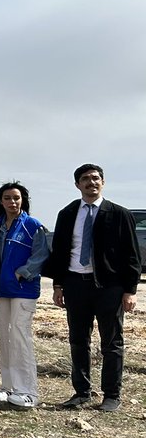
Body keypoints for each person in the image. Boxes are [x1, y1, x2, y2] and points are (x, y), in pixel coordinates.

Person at [43, 164, 141, 412]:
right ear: (77, 185)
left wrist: (130, 290)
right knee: (78, 341)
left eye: (96, 178)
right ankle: (81, 392)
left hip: (110, 287)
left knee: (111, 343)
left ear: (103, 182)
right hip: (76, 285)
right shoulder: (67, 214)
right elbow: (61, 252)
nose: (91, 182)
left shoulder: (119, 214)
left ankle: (111, 395)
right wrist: (58, 284)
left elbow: (132, 256)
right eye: (85, 179)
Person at [0, 182, 50, 408]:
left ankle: (28, 391)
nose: (12, 202)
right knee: (5, 336)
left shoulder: (32, 225)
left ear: (23, 200)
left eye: (16, 198)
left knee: (20, 337)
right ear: (1, 201)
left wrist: (23, 273)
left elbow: (41, 255)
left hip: (23, 289)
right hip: (0, 290)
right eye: (8, 198)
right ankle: (8, 386)